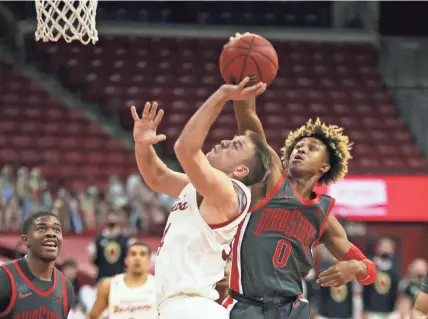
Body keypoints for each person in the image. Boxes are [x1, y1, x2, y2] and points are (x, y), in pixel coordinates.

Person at [222, 33, 377, 319]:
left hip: (292, 309)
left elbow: (370, 271)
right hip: (245, 306)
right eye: (297, 146)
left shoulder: (322, 216)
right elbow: (248, 119)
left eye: (312, 148)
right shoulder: (271, 178)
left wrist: (354, 268)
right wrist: (243, 75)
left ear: (325, 167)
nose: (300, 150)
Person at [132, 78, 271, 319]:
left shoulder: (229, 192)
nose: (226, 141)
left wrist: (222, 95)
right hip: (180, 308)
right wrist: (143, 145)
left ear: (241, 171)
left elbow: (185, 148)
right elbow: (157, 176)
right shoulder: (200, 186)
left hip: (192, 309)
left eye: (235, 146)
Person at [0, 211, 75, 319]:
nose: (51, 233)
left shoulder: (66, 288)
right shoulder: (4, 278)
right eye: (41, 228)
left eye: (56, 230)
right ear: (26, 240)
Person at [87, 242, 157, 319]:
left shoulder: (158, 285)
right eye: (133, 254)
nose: (137, 258)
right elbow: (92, 316)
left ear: (149, 261)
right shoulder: (109, 285)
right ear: (126, 260)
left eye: (142, 254)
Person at [87, 211, 135, 282]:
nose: (112, 219)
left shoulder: (127, 240)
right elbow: (92, 258)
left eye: (114, 217)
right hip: (103, 278)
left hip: (120, 279)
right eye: (110, 217)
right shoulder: (98, 239)